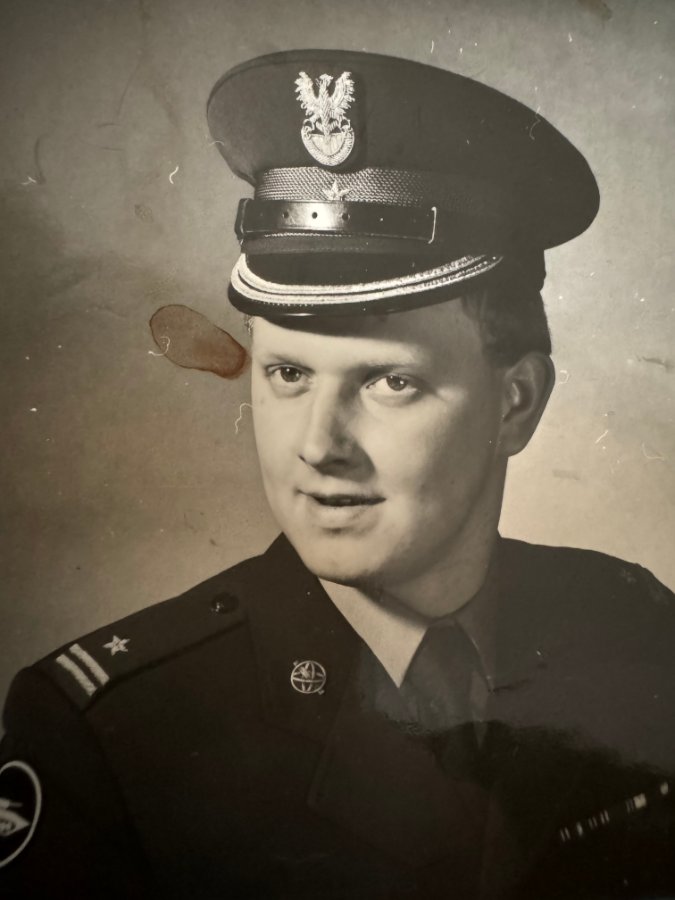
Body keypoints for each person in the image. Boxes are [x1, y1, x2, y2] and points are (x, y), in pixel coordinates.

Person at [1, 49, 674, 899]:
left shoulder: (635, 635)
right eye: (288, 374)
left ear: (516, 404)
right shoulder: (113, 734)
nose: (318, 446)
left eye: (390, 382)